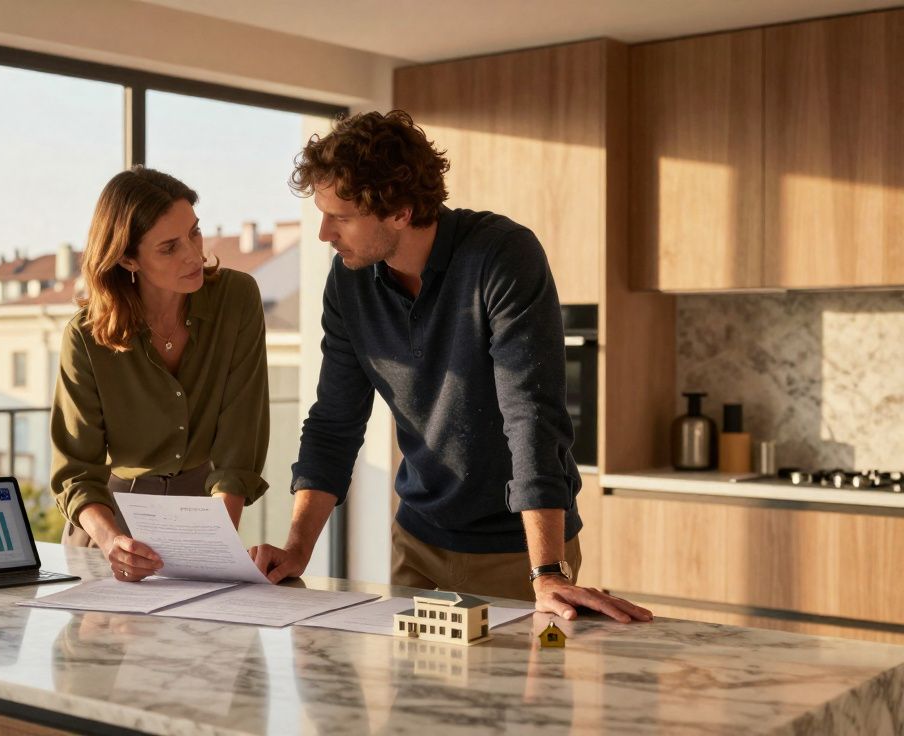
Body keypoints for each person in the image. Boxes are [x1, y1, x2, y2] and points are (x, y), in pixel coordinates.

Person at [249, 111, 652, 623]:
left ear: (400, 212)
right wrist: (297, 548)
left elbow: (531, 415)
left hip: (519, 550)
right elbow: (335, 420)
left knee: (522, 678)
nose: (325, 233)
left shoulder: (501, 255)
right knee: (410, 679)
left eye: (341, 217)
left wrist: (548, 571)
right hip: (417, 543)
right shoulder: (349, 281)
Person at [51, 167, 270, 583]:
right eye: (169, 247)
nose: (193, 255)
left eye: (194, 233)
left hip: (206, 515)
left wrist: (213, 543)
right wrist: (112, 541)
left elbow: (240, 439)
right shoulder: (85, 336)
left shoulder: (237, 299)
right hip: (108, 533)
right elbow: (76, 471)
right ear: (127, 258)